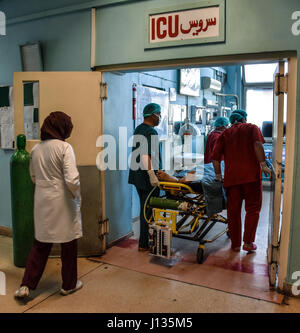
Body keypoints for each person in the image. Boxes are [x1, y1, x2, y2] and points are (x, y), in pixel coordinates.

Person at [14, 111, 83, 298]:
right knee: (68, 244)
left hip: (42, 200)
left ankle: (26, 285)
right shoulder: (64, 148)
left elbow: (33, 176)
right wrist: (77, 196)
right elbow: (72, 179)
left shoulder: (36, 149)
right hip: (63, 202)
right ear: (62, 128)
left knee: (40, 244)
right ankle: (69, 285)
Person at [212, 110, 271, 252]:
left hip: (232, 180)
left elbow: (215, 159)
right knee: (252, 210)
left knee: (233, 212)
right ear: (243, 118)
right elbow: (257, 144)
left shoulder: (224, 134)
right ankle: (248, 243)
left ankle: (235, 244)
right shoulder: (251, 128)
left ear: (231, 121)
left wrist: (219, 176)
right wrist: (263, 164)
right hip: (251, 178)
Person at [128, 103, 162, 251]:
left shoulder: (139, 129)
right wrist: (152, 175)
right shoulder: (151, 132)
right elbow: (144, 155)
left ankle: (144, 242)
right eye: (159, 114)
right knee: (148, 210)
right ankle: (145, 243)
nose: (160, 117)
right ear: (153, 115)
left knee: (144, 209)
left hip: (137, 176)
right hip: (146, 176)